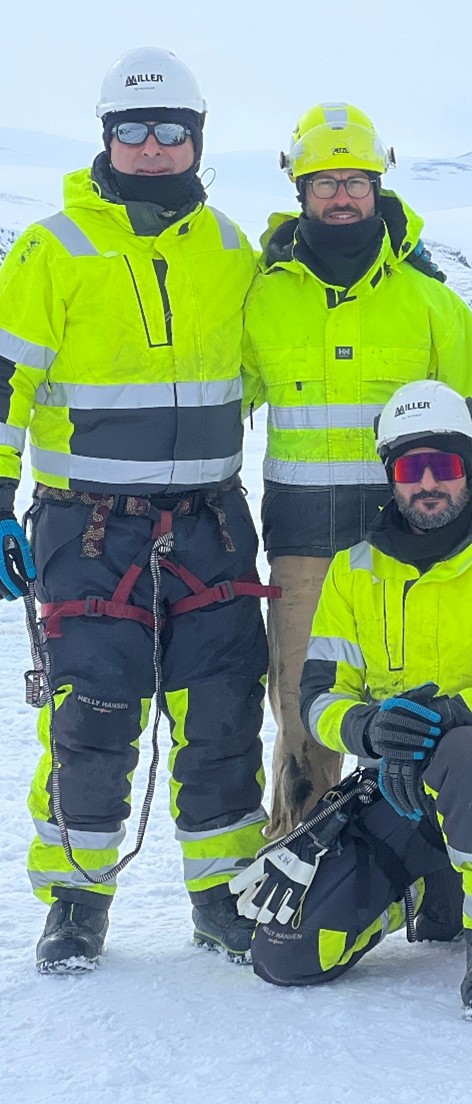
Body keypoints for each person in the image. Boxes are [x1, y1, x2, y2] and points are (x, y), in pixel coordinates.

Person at [0, 46, 270, 973]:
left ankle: (222, 896)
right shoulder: (52, 250)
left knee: (223, 715)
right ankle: (77, 901)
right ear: (107, 137)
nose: (152, 147)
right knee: (92, 715)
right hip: (87, 528)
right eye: (133, 131)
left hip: (211, 522)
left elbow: (277, 358)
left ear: (197, 139)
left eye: (170, 131)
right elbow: (4, 379)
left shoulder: (232, 249)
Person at [239, 380, 472, 1020]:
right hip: (391, 784)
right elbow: (318, 697)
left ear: (470, 468)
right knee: (287, 957)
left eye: (443, 465)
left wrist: (449, 716)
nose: (427, 483)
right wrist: (369, 729)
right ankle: (423, 886)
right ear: (390, 476)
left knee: (470, 753)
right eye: (409, 468)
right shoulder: (354, 570)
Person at [242, 101, 472, 839]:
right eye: (325, 182)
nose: (342, 196)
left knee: (420, 708)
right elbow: (220, 397)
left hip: (412, 547)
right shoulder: (263, 297)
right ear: (300, 190)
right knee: (305, 713)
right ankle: (300, 857)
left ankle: (427, 865)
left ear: (378, 187)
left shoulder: (430, 303)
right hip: (303, 550)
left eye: (355, 182)